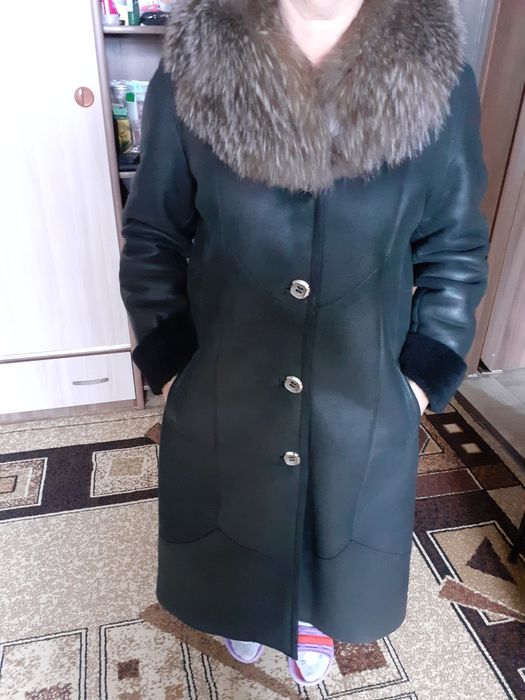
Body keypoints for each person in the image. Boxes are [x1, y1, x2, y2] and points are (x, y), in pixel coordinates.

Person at [118, 0, 490, 686]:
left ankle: (313, 617)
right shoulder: (192, 66)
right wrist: (171, 363)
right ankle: (243, 608)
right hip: (228, 373)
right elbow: (153, 235)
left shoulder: (440, 75)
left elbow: (455, 247)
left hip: (363, 383)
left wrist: (418, 379)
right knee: (236, 510)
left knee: (338, 519)